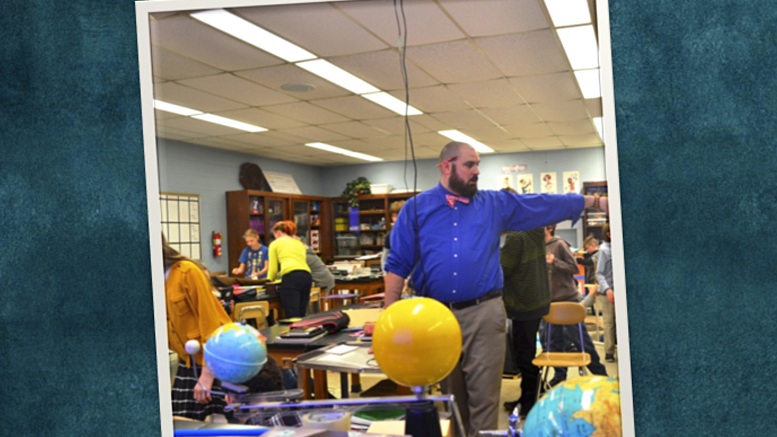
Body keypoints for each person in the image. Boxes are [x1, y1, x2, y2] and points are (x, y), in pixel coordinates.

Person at [383, 142, 608, 436]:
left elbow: (541, 203)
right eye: (469, 165)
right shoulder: (416, 209)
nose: (477, 171)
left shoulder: (493, 204)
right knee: (452, 401)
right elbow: (398, 263)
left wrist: (592, 202)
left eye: (478, 165)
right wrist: (389, 316)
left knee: (484, 399)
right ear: (446, 166)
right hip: (435, 318)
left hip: (484, 313)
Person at [163, 234, 234, 421]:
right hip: (188, 360)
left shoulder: (187, 271)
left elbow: (210, 324)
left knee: (224, 421)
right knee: (181, 422)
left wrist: (207, 374)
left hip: (215, 356)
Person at [499, 189, 553, 416]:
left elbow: (501, 270)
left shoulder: (515, 237)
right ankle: (529, 396)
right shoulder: (534, 229)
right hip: (537, 300)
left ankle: (529, 402)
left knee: (524, 356)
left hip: (523, 303)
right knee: (528, 352)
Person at [544, 225, 608, 387]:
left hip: (567, 301)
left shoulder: (559, 244)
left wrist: (555, 262)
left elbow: (573, 267)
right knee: (554, 342)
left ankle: (602, 377)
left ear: (549, 228)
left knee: (581, 342)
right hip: (550, 302)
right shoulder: (540, 247)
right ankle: (559, 376)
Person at [267, 221, 312, 319]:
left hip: (291, 277)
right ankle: (303, 333)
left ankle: (294, 334)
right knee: (301, 312)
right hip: (306, 276)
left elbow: (273, 269)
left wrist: (268, 282)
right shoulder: (300, 244)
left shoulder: (275, 244)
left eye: (274, 235)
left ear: (278, 232)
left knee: (292, 314)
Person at [596, 224, 617, 362]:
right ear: (609, 234)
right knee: (609, 323)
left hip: (620, 292)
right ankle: (609, 353)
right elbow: (599, 273)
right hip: (608, 292)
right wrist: (608, 289)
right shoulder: (604, 250)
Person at [381, 200, 406, 273]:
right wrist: (385, 275)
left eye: (398, 216)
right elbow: (385, 257)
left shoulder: (416, 233)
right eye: (393, 216)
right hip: (396, 274)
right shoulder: (390, 235)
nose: (395, 219)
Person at [577, 236, 600, 309]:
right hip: (592, 280)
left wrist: (578, 260)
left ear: (593, 245)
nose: (587, 251)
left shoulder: (599, 253)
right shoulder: (593, 255)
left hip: (596, 280)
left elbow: (590, 262)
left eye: (587, 248)